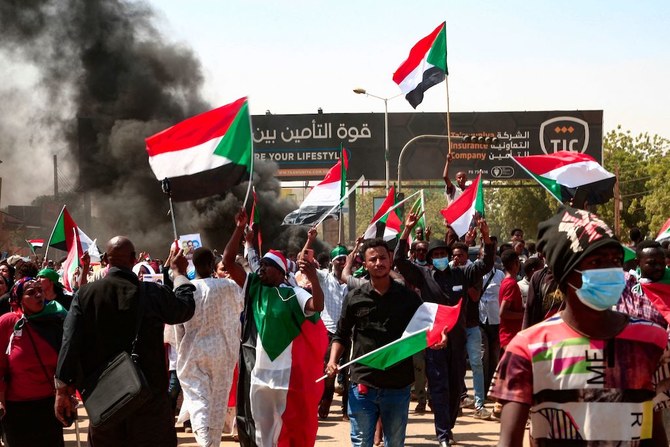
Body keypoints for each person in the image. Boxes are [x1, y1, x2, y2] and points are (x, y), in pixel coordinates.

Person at [492, 206, 670, 446]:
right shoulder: (528, 349)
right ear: (565, 274)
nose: (611, 269)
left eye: (616, 260)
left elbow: (655, 429)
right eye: (596, 261)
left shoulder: (653, 342)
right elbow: (509, 441)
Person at [54, 236, 196, 447]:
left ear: (105, 260)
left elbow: (70, 341)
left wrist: (62, 390)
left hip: (104, 401)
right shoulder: (152, 293)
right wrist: (179, 274)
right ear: (133, 259)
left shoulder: (85, 294)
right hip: (149, 401)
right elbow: (184, 308)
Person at [224, 208, 327, 447]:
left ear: (281, 273)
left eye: (267, 265)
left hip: (287, 379)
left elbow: (317, 306)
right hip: (258, 376)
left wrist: (313, 279)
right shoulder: (254, 288)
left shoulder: (293, 294)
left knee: (289, 428)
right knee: (260, 432)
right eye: (261, 265)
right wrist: (239, 229)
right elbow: (229, 261)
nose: (261, 268)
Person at [395, 214, 495, 446]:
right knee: (439, 388)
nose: (439, 258)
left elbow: (486, 264)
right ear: (430, 259)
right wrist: (406, 231)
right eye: (435, 255)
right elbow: (400, 261)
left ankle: (448, 426)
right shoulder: (424, 276)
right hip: (435, 341)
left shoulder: (462, 273)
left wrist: (486, 237)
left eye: (443, 254)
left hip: (458, 341)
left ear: (449, 257)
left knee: (454, 388)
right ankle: (442, 434)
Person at [327, 238, 428, 447]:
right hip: (363, 382)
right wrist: (332, 361)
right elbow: (341, 335)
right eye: (373, 259)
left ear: (390, 260)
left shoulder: (408, 298)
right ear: (365, 264)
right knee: (361, 442)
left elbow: (426, 328)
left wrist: (436, 340)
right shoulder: (354, 297)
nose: (379, 262)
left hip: (398, 385)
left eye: (383, 258)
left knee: (395, 443)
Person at [174, 247, 243, 447]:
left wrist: (181, 352)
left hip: (194, 354)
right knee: (218, 402)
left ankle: (207, 443)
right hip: (224, 354)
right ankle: (211, 443)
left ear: (193, 265)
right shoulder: (229, 287)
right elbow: (241, 306)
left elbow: (179, 327)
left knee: (199, 402)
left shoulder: (186, 290)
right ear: (212, 265)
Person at [0, 277, 68, 446]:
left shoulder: (56, 320)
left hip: (50, 406)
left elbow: (66, 361)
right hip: (16, 410)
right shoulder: (8, 323)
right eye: (31, 293)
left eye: (40, 291)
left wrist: (67, 392)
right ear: (19, 299)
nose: (39, 295)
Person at [300, 228, 350, 421]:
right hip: (327, 332)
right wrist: (310, 240)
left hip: (346, 333)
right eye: (339, 259)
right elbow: (303, 261)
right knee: (328, 371)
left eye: (345, 259)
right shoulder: (323, 277)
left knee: (347, 372)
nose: (342, 262)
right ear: (332, 262)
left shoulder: (352, 282)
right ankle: (325, 404)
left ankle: (346, 411)